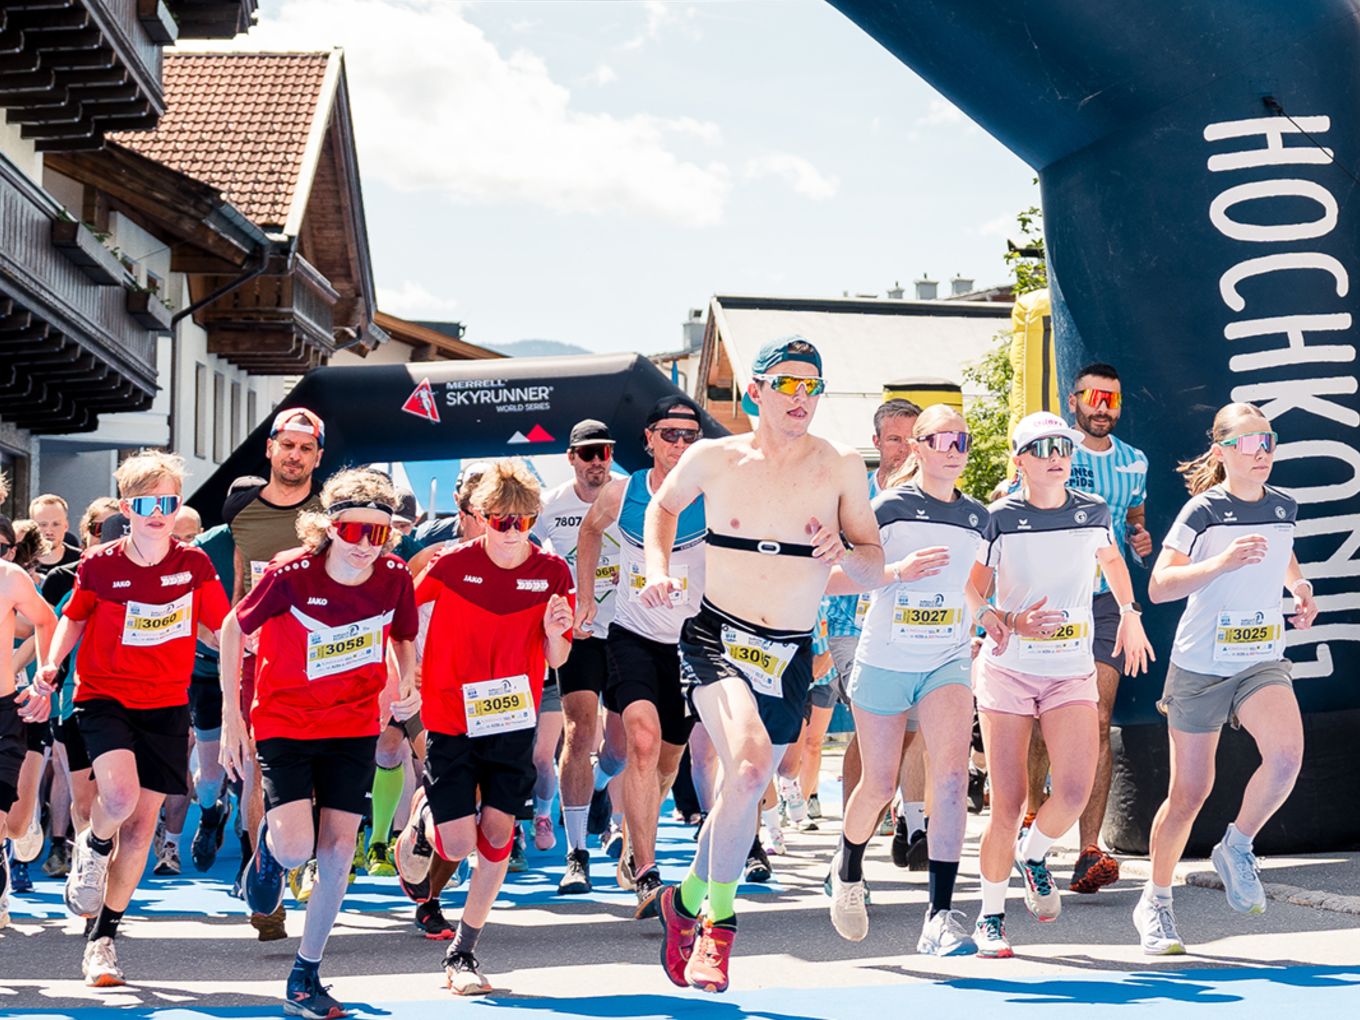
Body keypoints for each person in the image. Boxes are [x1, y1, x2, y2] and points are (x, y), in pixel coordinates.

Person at [649, 336, 883, 993]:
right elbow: (664, 510)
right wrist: (656, 570)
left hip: (787, 650)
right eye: (786, 383)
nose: (800, 397)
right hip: (716, 637)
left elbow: (870, 564)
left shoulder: (838, 464)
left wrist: (845, 548)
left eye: (812, 385)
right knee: (749, 764)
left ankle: (687, 899)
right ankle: (716, 935)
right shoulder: (713, 457)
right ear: (754, 391)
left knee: (748, 786)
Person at [220, 468, 419, 1018]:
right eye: (352, 531)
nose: (363, 545)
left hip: (353, 724)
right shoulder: (291, 573)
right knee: (295, 849)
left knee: (335, 853)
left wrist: (409, 678)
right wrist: (233, 721)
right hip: (286, 720)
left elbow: (404, 633)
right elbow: (235, 628)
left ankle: (306, 973)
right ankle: (266, 856)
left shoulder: (394, 576)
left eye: (377, 534)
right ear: (331, 527)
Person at [33, 451, 229, 986]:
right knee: (116, 800)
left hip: (166, 703)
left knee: (141, 830)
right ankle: (93, 848)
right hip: (103, 697)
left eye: (168, 501)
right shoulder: (101, 564)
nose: (159, 512)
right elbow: (71, 620)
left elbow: (224, 625)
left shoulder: (193, 564)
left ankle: (102, 941)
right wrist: (50, 667)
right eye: (148, 503)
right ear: (128, 508)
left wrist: (252, 649)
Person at [964, 412, 1153, 958]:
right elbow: (972, 592)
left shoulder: (1092, 510)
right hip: (1009, 671)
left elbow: (1111, 559)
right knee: (1009, 802)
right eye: (1042, 447)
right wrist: (1001, 620)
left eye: (1063, 447)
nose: (1056, 455)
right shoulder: (998, 518)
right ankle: (991, 917)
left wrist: (1129, 610)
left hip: (1070, 669)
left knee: (1072, 792)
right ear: (1019, 459)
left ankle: (1035, 852)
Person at [1135, 404, 1315, 954]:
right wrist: (1220, 564)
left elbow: (1281, 555)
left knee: (1286, 756)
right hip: (1201, 666)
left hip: (1260, 660)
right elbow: (1161, 586)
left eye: (1268, 440)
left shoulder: (1283, 505)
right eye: (1248, 442)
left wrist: (1299, 587)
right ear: (1221, 452)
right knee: (1190, 793)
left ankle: (1236, 845)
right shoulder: (1203, 510)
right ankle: (1156, 903)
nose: (1260, 452)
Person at [394, 459, 574, 995]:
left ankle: (464, 952)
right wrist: (406, 674)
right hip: (451, 715)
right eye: (500, 522)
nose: (512, 533)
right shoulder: (450, 565)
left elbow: (560, 657)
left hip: (511, 719)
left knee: (496, 837)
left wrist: (556, 631)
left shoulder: (551, 571)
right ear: (478, 516)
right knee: (452, 845)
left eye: (523, 522)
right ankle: (426, 812)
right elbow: (401, 620)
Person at [824, 405, 989, 956]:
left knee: (948, 781)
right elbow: (834, 578)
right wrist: (897, 572)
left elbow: (964, 581)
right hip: (885, 661)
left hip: (946, 660)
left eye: (962, 439)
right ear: (917, 447)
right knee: (879, 783)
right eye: (941, 438)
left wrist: (991, 619)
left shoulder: (977, 516)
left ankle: (940, 916)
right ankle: (846, 870)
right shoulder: (888, 506)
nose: (954, 448)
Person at [575, 396, 708, 917]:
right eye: (670, 434)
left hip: (692, 642)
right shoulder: (623, 491)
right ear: (649, 438)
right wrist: (586, 597)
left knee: (668, 761)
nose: (680, 444)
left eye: (689, 435)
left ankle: (634, 838)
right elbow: (589, 533)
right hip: (632, 635)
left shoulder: (713, 492)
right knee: (643, 743)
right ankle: (648, 874)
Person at [1027, 364, 1153, 894]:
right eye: (1094, 397)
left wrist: (1139, 540)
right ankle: (1033, 831)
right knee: (1039, 722)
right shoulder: (1051, 449)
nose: (1104, 407)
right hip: (1050, 601)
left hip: (1103, 603)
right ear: (1074, 400)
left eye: (1113, 399)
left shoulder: (1134, 462)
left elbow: (1133, 524)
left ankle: (1087, 851)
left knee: (1097, 720)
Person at [223, 409, 325, 938]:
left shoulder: (330, 511)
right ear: (270, 449)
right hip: (259, 664)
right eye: (287, 445)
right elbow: (241, 580)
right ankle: (267, 890)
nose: (295, 456)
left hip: (321, 663)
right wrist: (239, 635)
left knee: (313, 776)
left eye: (306, 449)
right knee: (260, 773)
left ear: (318, 457)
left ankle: (297, 854)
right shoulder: (241, 506)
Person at [533, 419, 622, 894]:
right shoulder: (550, 505)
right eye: (587, 454)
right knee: (578, 731)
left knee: (623, 749)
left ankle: (602, 785)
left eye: (603, 452)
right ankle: (577, 854)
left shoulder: (631, 496)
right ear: (571, 458)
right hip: (579, 632)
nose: (596, 462)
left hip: (629, 630)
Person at [0, 520, 58, 930]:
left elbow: (46, 621)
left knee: (13, 824)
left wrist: (43, 679)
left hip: (3, 710)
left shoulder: (11, 578)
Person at [28, 494, 82, 577]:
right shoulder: (20, 560)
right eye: (43, 524)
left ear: (66, 526)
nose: (49, 531)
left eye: (56, 524)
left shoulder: (81, 561)